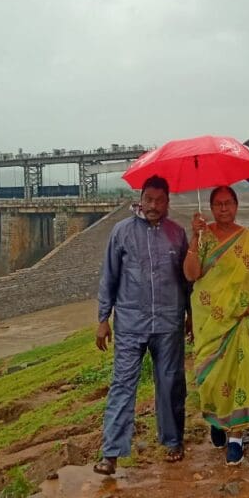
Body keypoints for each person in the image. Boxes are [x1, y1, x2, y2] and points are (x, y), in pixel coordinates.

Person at [94, 175, 192, 475]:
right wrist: (103, 319)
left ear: (167, 202)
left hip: (168, 322)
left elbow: (186, 280)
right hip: (129, 323)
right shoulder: (121, 232)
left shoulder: (177, 234)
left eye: (160, 200)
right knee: (123, 384)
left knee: (171, 383)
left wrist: (191, 315)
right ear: (140, 198)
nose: (153, 206)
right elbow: (109, 277)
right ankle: (111, 453)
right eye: (149, 199)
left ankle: (173, 440)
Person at [184, 185, 249, 466]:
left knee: (240, 374)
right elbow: (191, 273)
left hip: (241, 320)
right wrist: (194, 237)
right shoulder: (205, 237)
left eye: (228, 203)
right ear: (211, 208)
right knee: (209, 376)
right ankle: (216, 418)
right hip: (209, 321)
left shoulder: (248, 238)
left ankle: (236, 437)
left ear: (236, 206)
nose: (223, 209)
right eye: (218, 204)